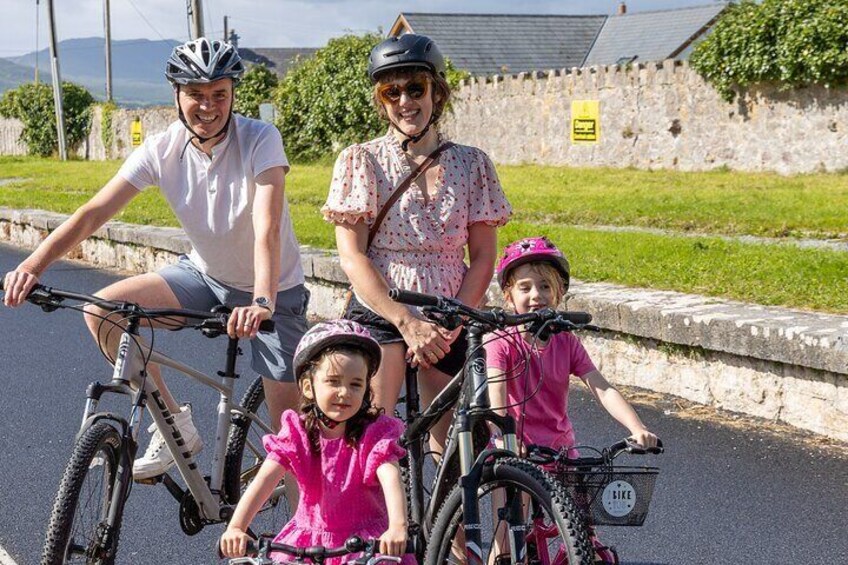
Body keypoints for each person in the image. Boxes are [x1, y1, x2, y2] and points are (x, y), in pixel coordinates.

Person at [2, 38, 308, 480]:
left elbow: (267, 225)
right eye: (196, 95)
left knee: (291, 440)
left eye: (219, 94)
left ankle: (299, 542)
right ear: (176, 95)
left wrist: (262, 300)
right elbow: (93, 213)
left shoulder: (261, 138)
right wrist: (32, 266)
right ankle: (173, 424)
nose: (209, 106)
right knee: (103, 312)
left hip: (273, 291)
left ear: (233, 94)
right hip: (203, 276)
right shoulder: (162, 149)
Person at [323, 34, 512, 455]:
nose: (405, 101)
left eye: (415, 88)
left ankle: (451, 521)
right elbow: (352, 255)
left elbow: (482, 255)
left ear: (436, 92)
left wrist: (453, 322)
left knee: (459, 450)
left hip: (450, 311)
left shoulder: (472, 163)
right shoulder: (362, 160)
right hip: (383, 306)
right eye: (392, 91)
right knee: (372, 435)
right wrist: (406, 323)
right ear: (381, 100)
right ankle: (374, 518)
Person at [486, 236, 659, 564]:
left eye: (545, 287)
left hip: (561, 449)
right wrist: (507, 437)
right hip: (514, 447)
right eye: (525, 288)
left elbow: (601, 387)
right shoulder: (500, 341)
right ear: (509, 295)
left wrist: (637, 427)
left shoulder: (566, 341)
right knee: (509, 536)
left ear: (559, 293)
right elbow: (497, 396)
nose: (536, 295)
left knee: (585, 536)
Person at [220, 320, 413, 564]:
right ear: (308, 387)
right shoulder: (298, 434)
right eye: (333, 381)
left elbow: (390, 476)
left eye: (356, 384)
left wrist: (397, 526)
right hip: (307, 543)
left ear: (366, 390)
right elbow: (265, 480)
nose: (344, 392)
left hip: (364, 546)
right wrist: (237, 526)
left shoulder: (372, 434)